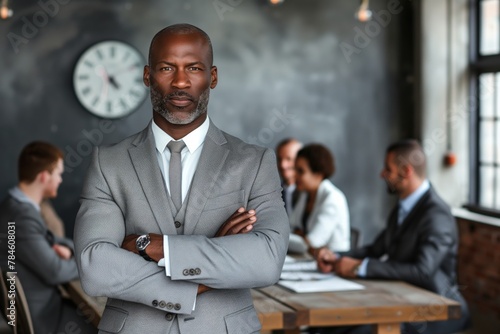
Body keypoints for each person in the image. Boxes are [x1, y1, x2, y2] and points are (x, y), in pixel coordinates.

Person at [74, 23, 289, 334]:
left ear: (212, 77)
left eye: (194, 67)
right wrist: (217, 257)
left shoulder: (254, 162)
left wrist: (160, 248)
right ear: (147, 76)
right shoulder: (108, 162)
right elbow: (96, 268)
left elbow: (266, 260)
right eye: (166, 67)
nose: (180, 81)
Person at [316, 139, 470, 334]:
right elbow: (375, 249)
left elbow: (422, 271)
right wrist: (335, 256)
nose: (382, 174)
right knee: (330, 326)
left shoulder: (436, 214)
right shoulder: (402, 207)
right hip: (399, 299)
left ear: (406, 171)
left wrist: (359, 267)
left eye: (387, 169)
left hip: (432, 309)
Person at [0, 141, 97, 334]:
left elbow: (52, 240)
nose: (60, 180)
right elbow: (55, 271)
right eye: (58, 174)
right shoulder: (21, 217)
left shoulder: (14, 206)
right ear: (44, 176)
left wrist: (69, 250)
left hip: (39, 308)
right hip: (45, 318)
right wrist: (93, 264)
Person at [288, 144, 350, 255]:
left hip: (331, 264)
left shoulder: (333, 199)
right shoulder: (306, 194)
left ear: (319, 174)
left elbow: (312, 243)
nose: (295, 175)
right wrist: (301, 237)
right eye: (295, 170)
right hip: (308, 258)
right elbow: (292, 227)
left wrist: (303, 238)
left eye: (301, 171)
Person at [276, 138, 302, 216]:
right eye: (279, 159)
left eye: (289, 159)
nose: (283, 165)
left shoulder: (312, 194)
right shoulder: (273, 193)